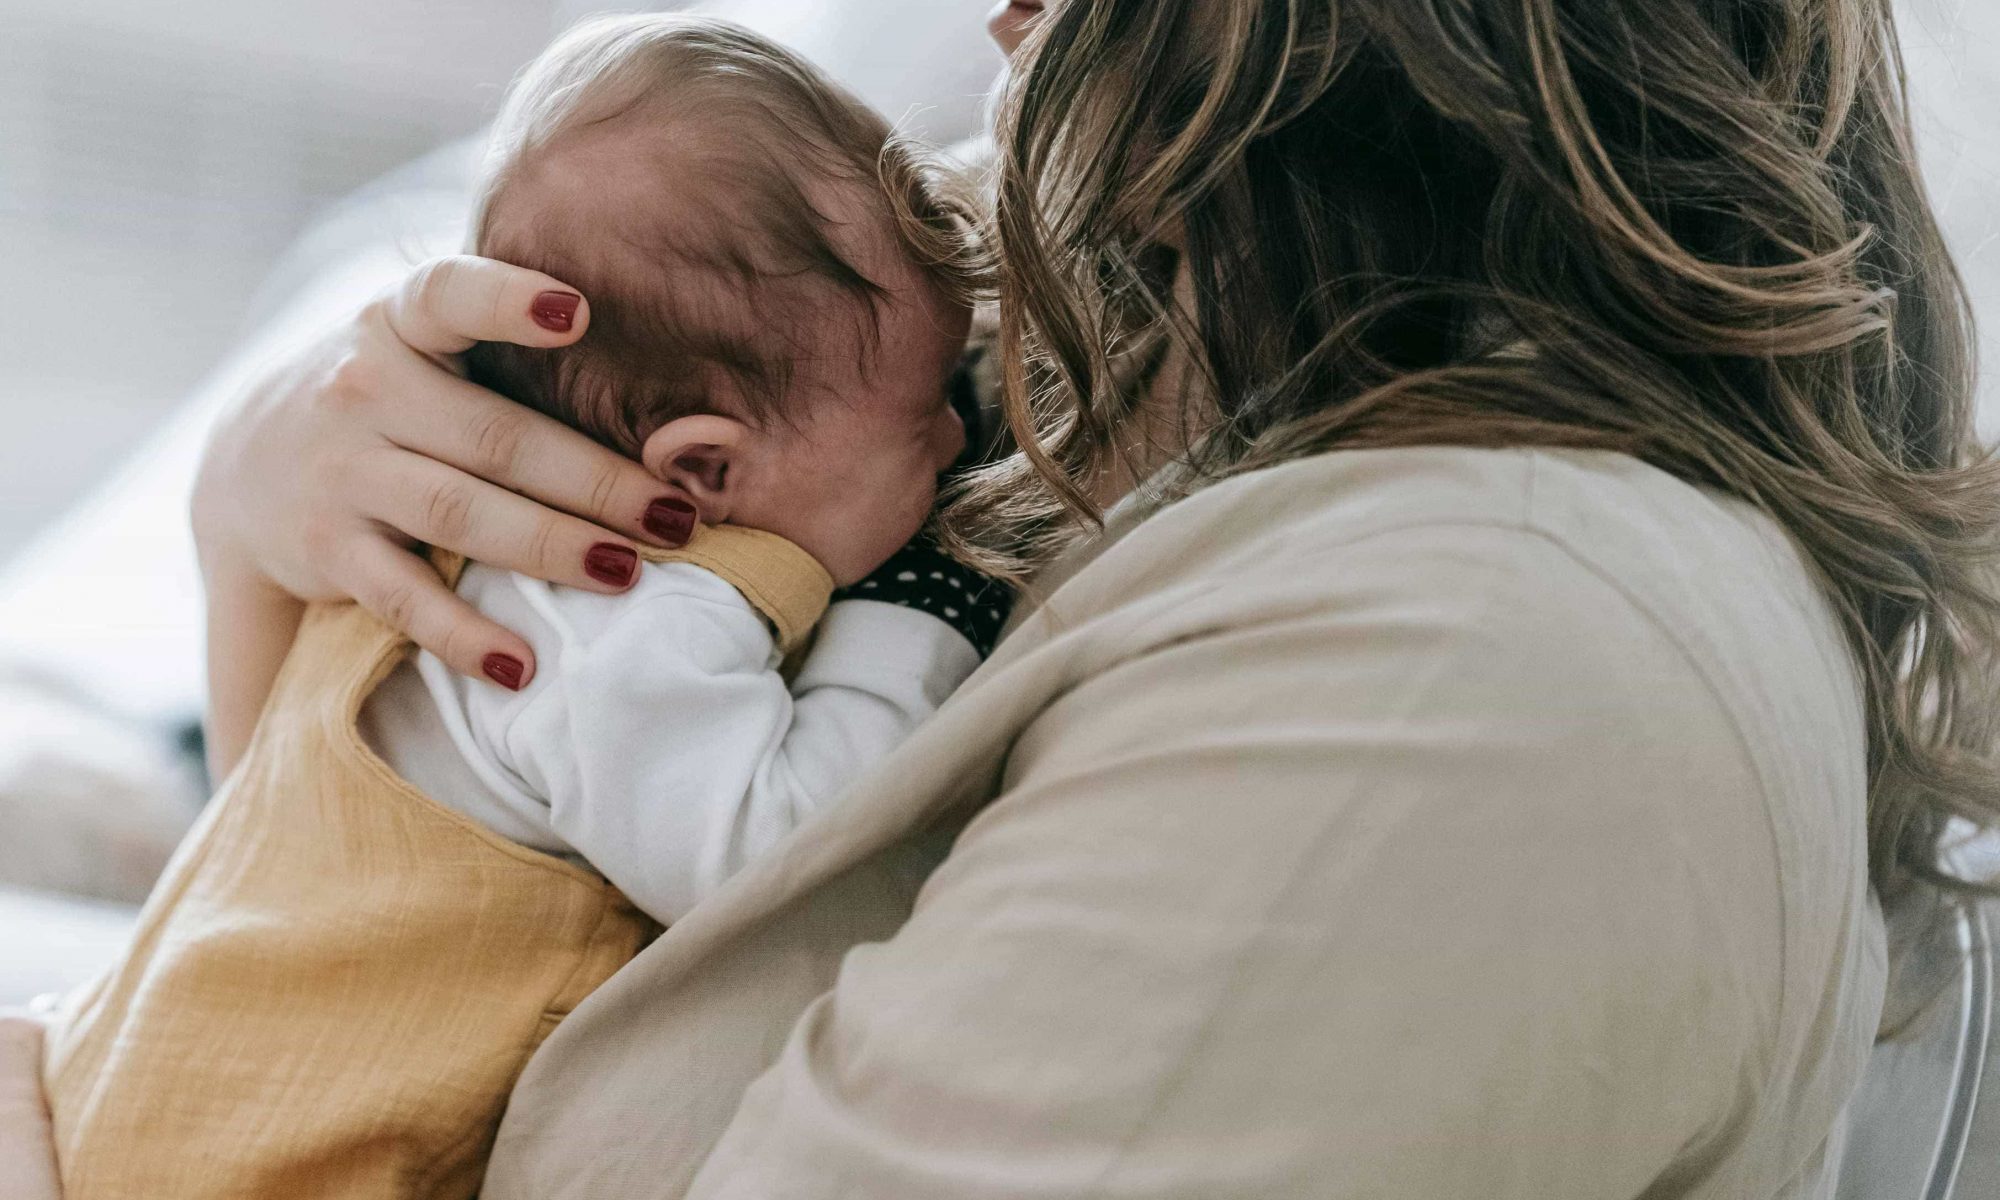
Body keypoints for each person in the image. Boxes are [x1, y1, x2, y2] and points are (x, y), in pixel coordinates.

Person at [10, 0, 2000, 1195]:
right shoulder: (1113, 407)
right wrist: (263, 510)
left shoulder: (1484, 646)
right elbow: (350, 897)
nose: (999, 31)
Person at [37, 15, 1006, 1198]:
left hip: (153, 1075)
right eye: (926, 419)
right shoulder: (628, 619)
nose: (961, 436)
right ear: (704, 471)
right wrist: (918, 612)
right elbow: (774, 853)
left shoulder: (449, 541)